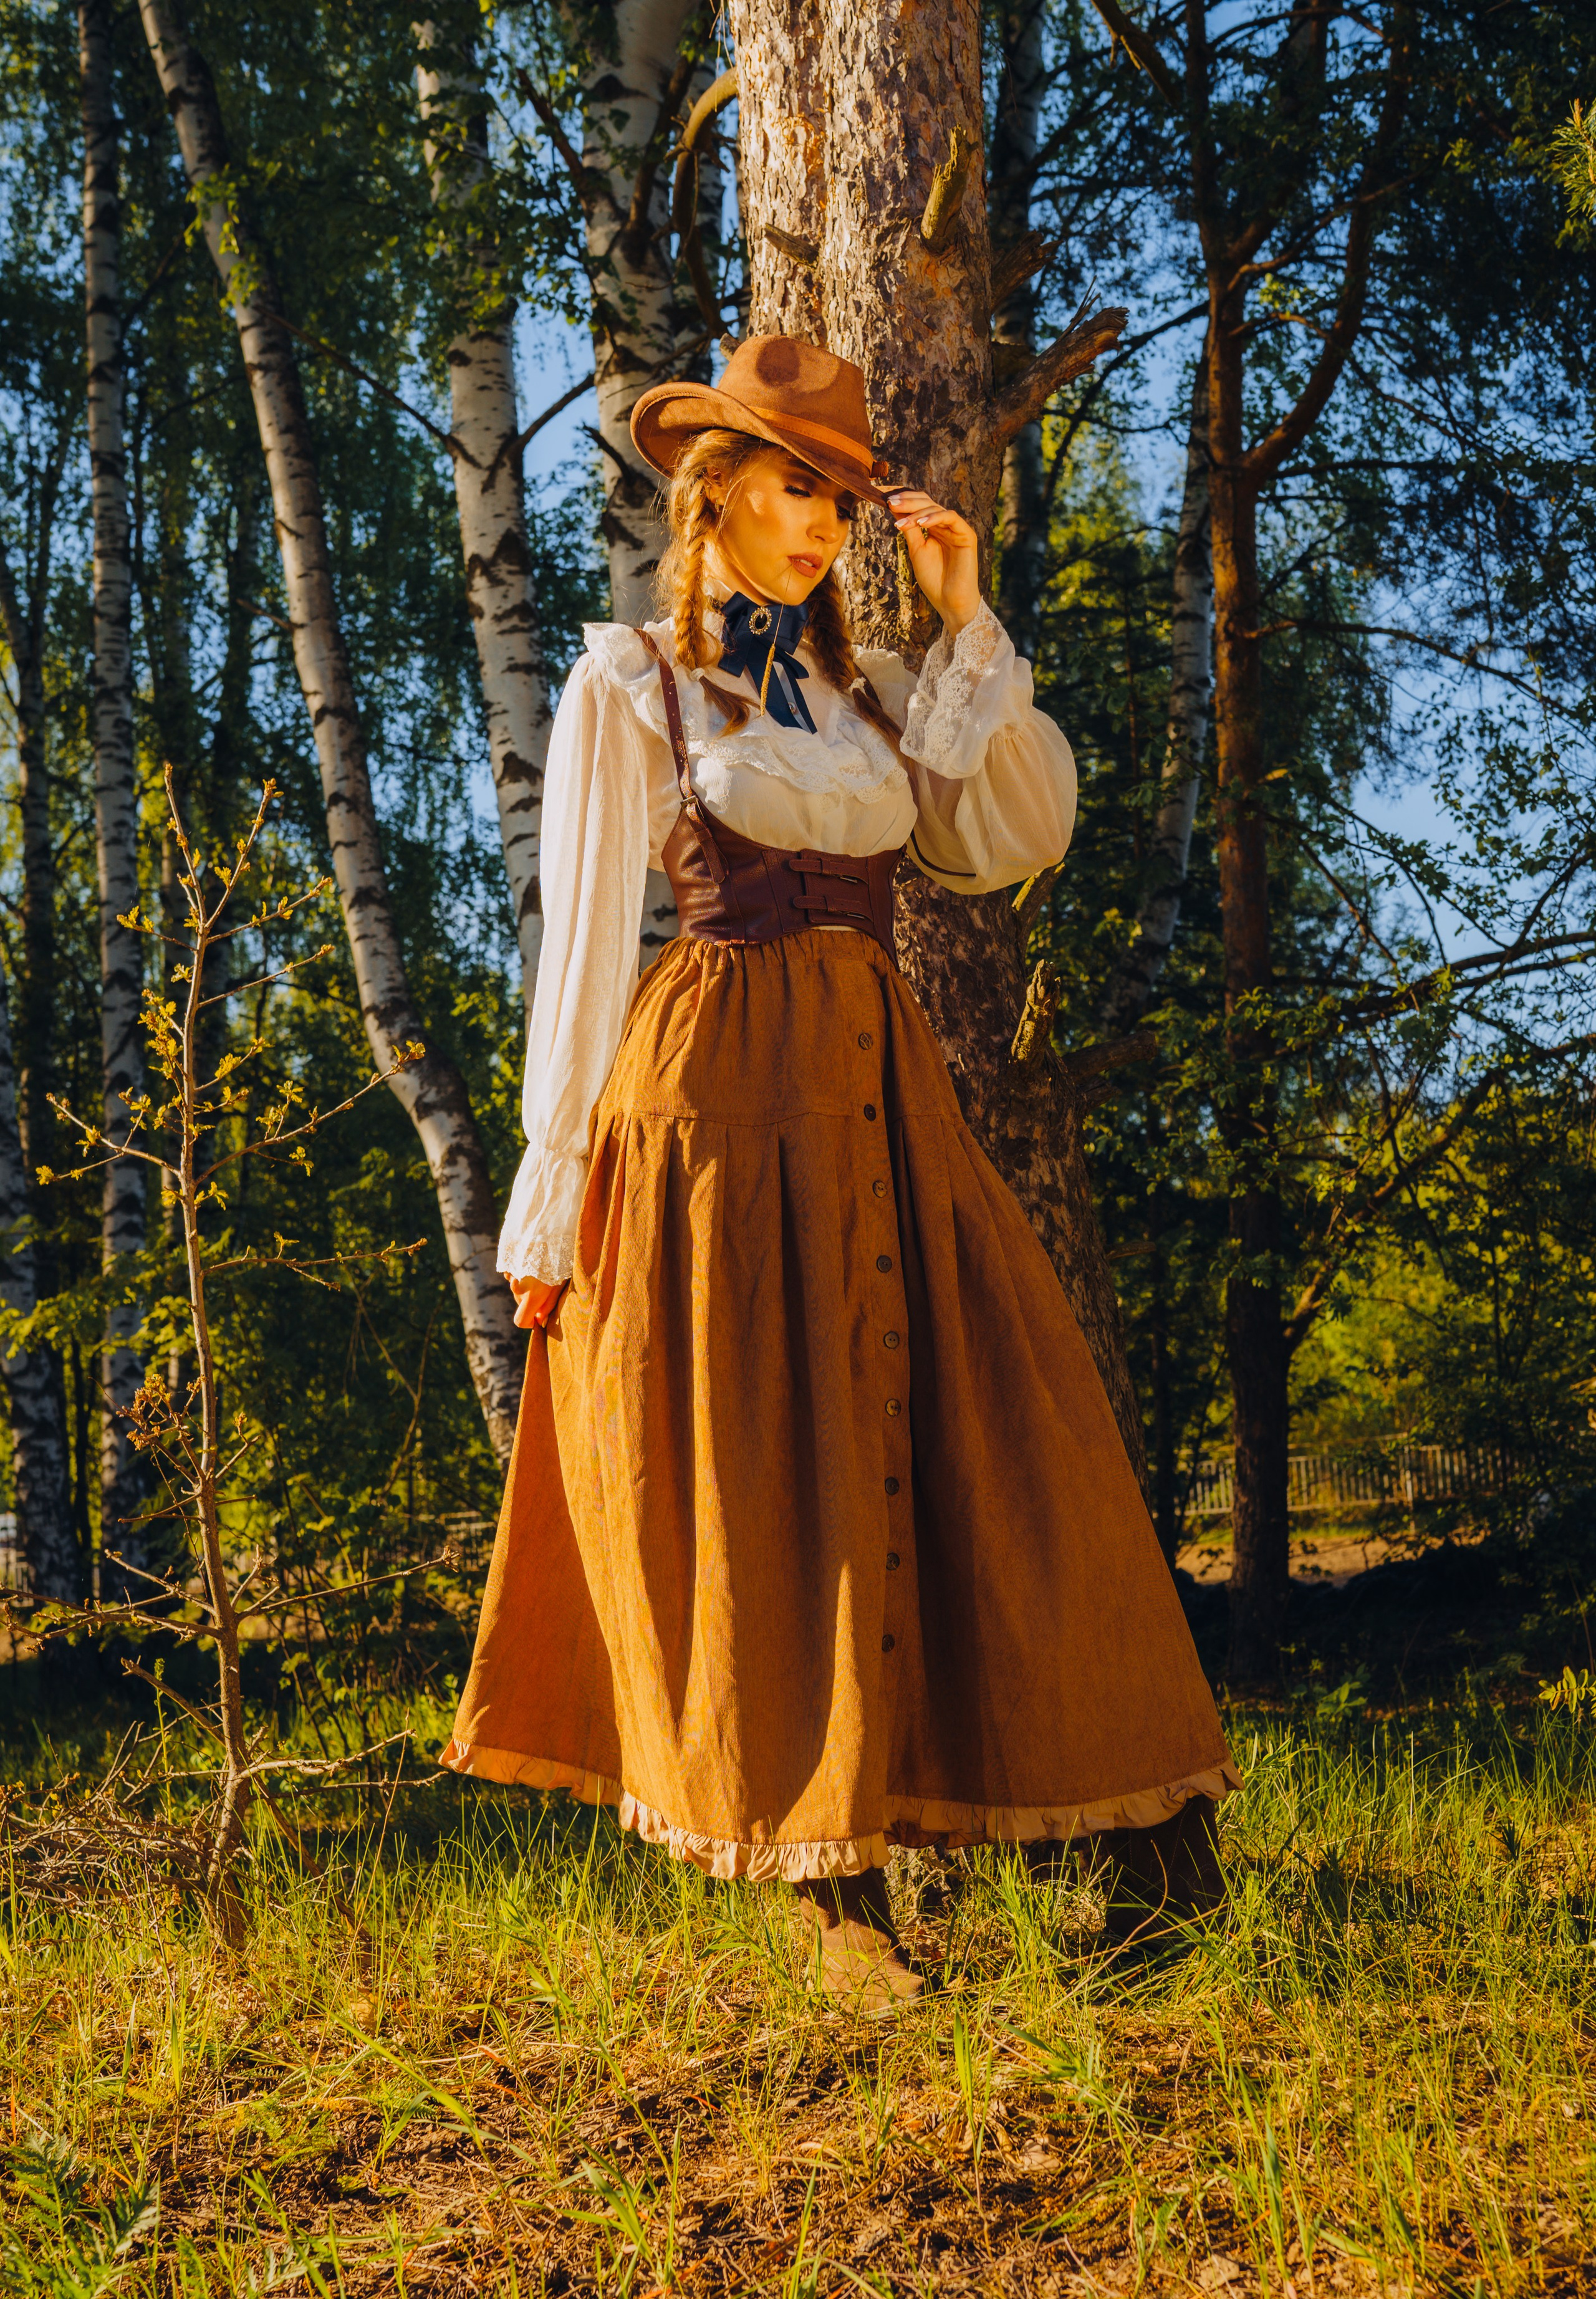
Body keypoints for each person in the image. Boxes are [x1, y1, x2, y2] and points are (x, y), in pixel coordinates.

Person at [442, 336, 1236, 2007]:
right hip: (714, 1107)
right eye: (796, 484)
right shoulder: (632, 684)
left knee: (1015, 1423)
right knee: (769, 1467)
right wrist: (552, 1185)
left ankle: (1144, 1841)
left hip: (882, 1092)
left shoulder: (873, 691)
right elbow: (579, 952)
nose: (822, 522)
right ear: (713, 488)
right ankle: (833, 1887)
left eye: (840, 496)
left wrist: (963, 617)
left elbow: (1003, 839)